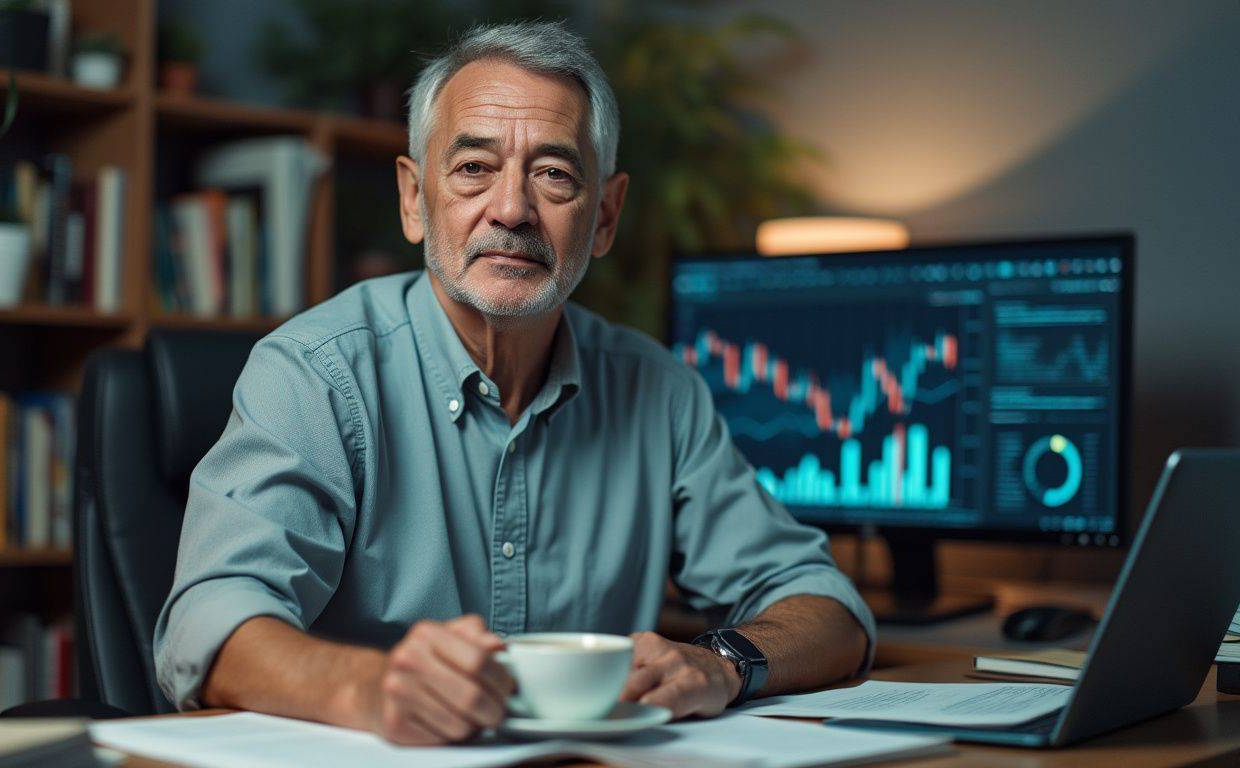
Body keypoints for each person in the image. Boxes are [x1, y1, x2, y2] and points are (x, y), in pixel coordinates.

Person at [154, 20, 875, 746]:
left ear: (605, 215)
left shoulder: (659, 393)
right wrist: (370, 688)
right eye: (472, 168)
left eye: (554, 174)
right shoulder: (315, 374)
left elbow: (826, 608)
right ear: (414, 198)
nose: (511, 209)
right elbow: (208, 622)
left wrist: (725, 664)